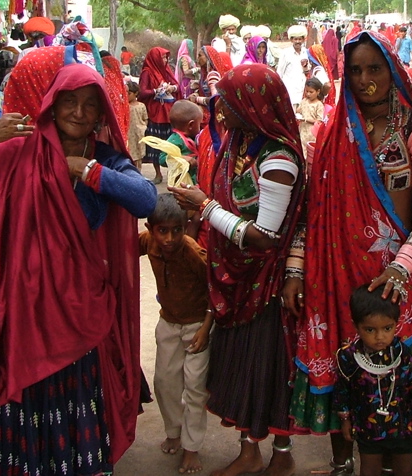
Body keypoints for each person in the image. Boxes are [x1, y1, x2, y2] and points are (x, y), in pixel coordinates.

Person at [284, 31, 412, 475]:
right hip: (333, 272)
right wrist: (296, 269)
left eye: (374, 68)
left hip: (393, 276)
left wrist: (401, 267)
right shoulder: (329, 132)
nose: (364, 79)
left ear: (393, 70)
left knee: (393, 375)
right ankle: (342, 463)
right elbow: (311, 209)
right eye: (354, 70)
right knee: (344, 364)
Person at [0, 64, 157, 474]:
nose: (79, 112)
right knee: (23, 401)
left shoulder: (105, 159)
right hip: (20, 309)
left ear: (101, 115)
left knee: (73, 406)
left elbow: (146, 200)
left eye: (90, 105)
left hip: (79, 312)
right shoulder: (16, 153)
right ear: (51, 104)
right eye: (69, 101)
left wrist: (83, 169)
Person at [168, 64, 305, 476]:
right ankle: (249, 451)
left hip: (265, 283)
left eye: (229, 104)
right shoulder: (241, 143)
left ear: (254, 106)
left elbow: (264, 237)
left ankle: (281, 454)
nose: (221, 113)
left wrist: (205, 207)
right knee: (241, 366)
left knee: (266, 367)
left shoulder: (278, 158)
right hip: (236, 277)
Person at [140, 193, 212, 474]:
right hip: (168, 323)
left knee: (195, 388)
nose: (169, 238)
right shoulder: (148, 241)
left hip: (197, 326)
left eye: (177, 230)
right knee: (164, 381)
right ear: (150, 228)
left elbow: (216, 289)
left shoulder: (193, 253)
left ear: (186, 227)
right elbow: (121, 247)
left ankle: (191, 448)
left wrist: (206, 328)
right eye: (163, 231)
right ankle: (173, 431)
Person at [334, 285, 412, 476]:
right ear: (356, 326)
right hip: (368, 427)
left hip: (402, 426)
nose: (380, 337)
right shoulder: (349, 357)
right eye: (370, 330)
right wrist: (345, 420)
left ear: (396, 324)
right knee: (369, 470)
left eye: (387, 328)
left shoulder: (402, 354)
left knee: (404, 470)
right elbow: (342, 391)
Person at [139, 47, 181, 184]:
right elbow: (142, 92)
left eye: (166, 57)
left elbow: (177, 85)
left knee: (171, 143)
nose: (165, 60)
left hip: (169, 112)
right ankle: (158, 173)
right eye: (162, 57)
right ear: (155, 58)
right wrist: (156, 90)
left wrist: (172, 88)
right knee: (156, 144)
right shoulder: (147, 72)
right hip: (155, 113)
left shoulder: (166, 70)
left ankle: (172, 173)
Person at [158, 99, 203, 185]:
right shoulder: (175, 139)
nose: (200, 128)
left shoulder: (192, 137)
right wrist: (182, 158)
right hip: (182, 182)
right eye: (199, 124)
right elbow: (162, 159)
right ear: (190, 125)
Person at [188, 46, 233, 110]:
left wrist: (197, 99)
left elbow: (215, 99)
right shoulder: (205, 75)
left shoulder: (212, 75)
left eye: (200, 56)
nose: (197, 59)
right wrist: (196, 94)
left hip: (210, 112)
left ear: (208, 57)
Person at [278, 24, 309, 109]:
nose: (298, 41)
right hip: (290, 91)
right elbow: (279, 73)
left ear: (303, 40)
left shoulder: (306, 53)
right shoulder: (285, 53)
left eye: (300, 39)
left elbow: (307, 72)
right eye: (295, 39)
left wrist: (306, 68)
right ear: (291, 40)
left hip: (303, 90)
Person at [296, 77, 324, 159]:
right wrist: (298, 113)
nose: (308, 94)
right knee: (301, 152)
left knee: (310, 155)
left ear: (318, 91)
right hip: (302, 132)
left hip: (311, 134)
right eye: (306, 91)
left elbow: (319, 121)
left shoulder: (319, 105)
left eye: (311, 92)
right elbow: (299, 110)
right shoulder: (304, 101)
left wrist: (306, 119)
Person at [128, 80, 148, 169]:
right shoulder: (125, 106)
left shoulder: (141, 106)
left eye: (129, 93)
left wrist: (143, 128)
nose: (127, 96)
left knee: (139, 154)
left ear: (136, 93)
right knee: (130, 153)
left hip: (139, 134)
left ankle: (138, 172)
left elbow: (145, 118)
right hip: (129, 134)